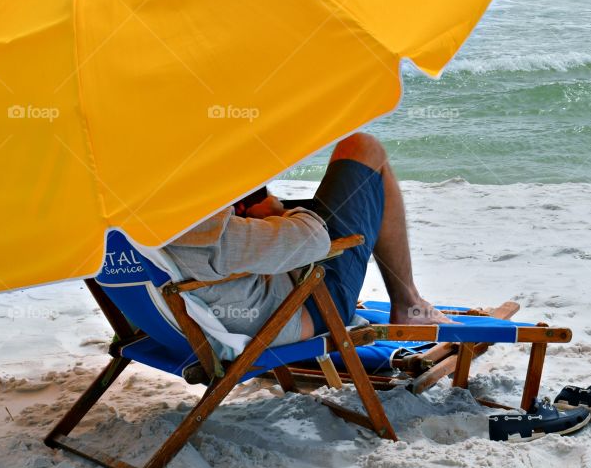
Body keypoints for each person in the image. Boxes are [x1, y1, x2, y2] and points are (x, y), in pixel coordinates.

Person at [164, 132, 451, 346]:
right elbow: (314, 241)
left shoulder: (129, 226)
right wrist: (278, 214)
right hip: (301, 310)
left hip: (188, 325)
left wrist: (251, 220)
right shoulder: (200, 231)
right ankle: (408, 303)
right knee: (363, 147)